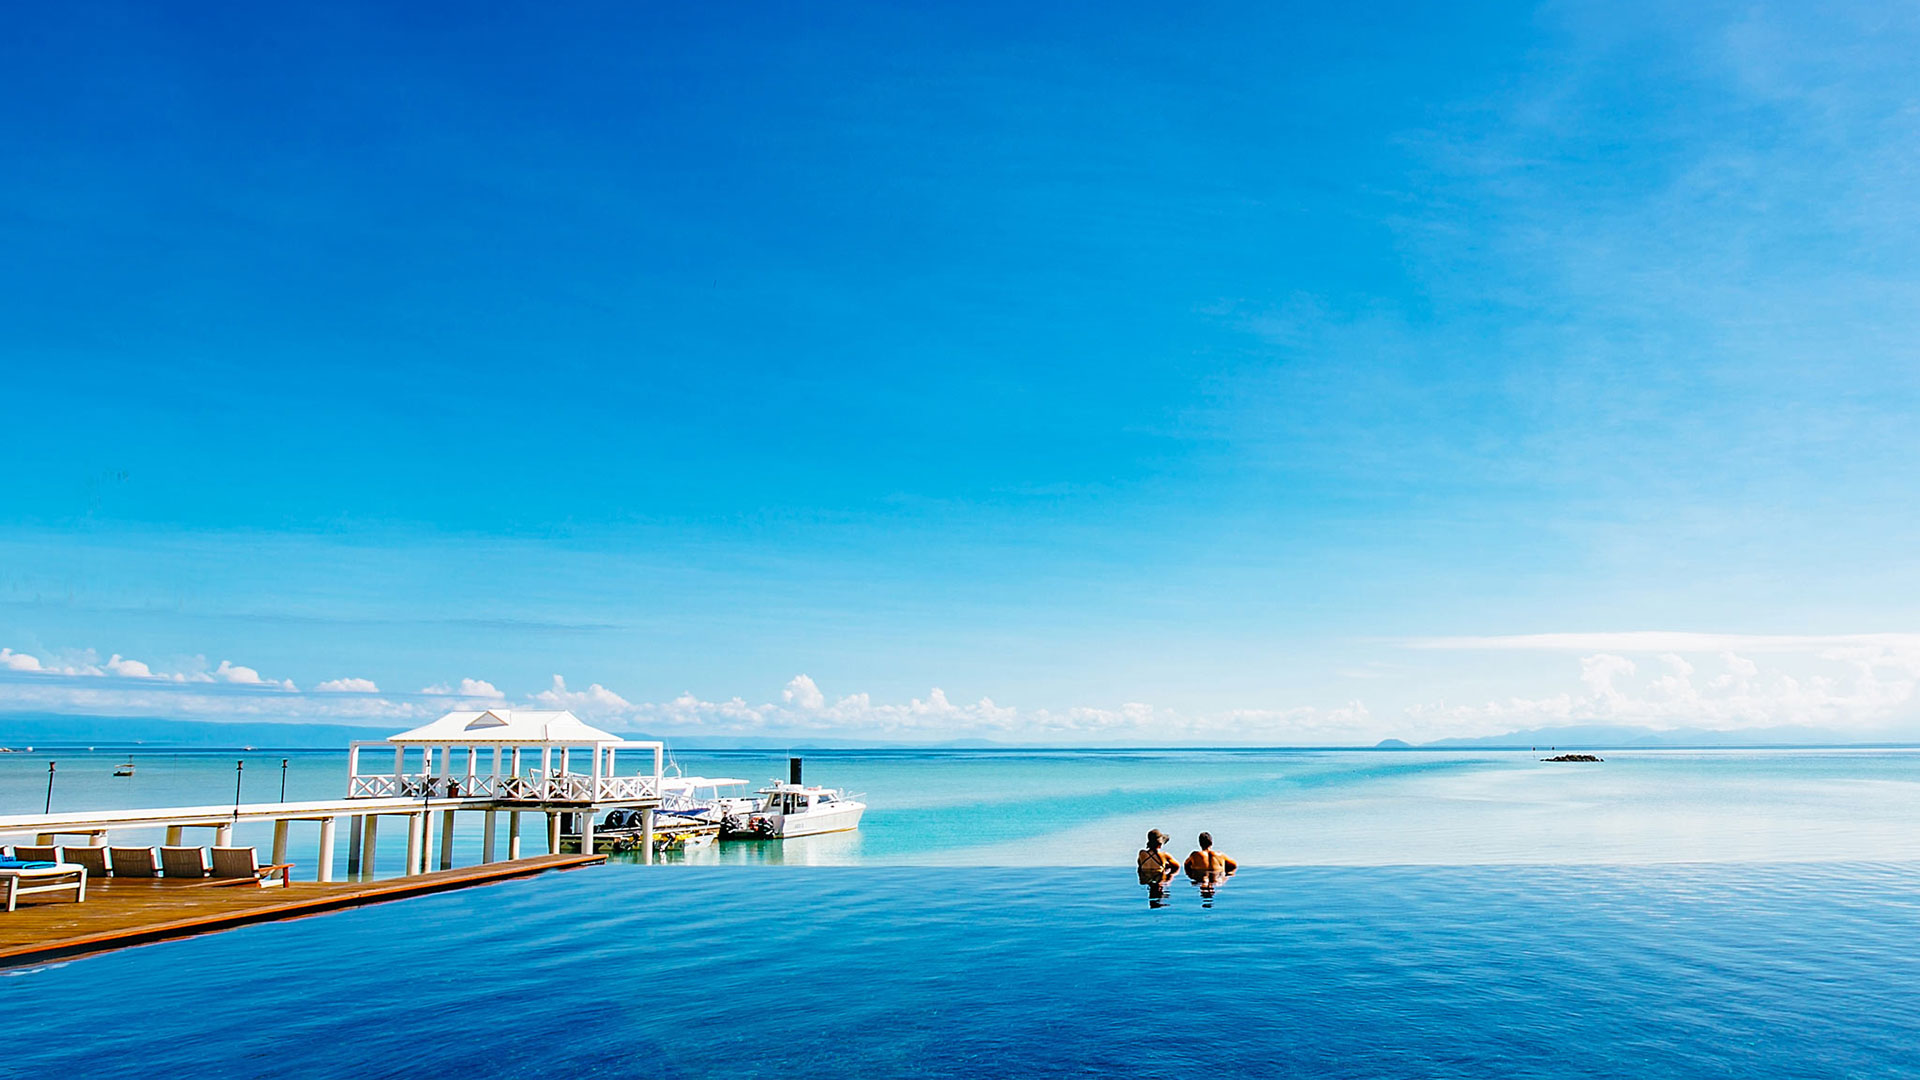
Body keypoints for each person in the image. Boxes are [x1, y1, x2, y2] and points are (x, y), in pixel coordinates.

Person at [1138, 829, 1178, 906]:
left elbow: (1139, 865)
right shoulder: (1164, 855)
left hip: (1146, 877)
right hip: (1159, 876)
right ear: (1160, 844)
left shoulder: (1142, 854)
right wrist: (1169, 879)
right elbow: (1177, 866)